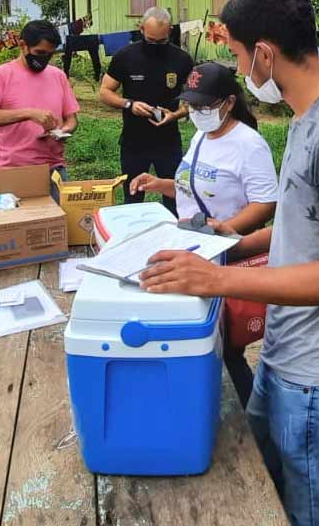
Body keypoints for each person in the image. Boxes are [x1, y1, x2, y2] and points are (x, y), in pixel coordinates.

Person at [138, 0, 319, 526]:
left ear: (265, 54)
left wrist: (218, 280)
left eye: (236, 55)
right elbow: (300, 228)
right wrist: (224, 246)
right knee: (267, 487)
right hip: (287, 348)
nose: (240, 68)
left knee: (314, 512)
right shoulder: (307, 118)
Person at [129, 62, 278, 407]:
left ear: (229, 103)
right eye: (191, 105)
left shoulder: (249, 145)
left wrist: (230, 230)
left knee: (226, 344)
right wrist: (160, 184)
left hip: (224, 253)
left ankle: (250, 417)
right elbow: (193, 185)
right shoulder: (200, 136)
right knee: (201, 336)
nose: (196, 112)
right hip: (192, 244)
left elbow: (266, 203)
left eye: (204, 106)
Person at [99, 7, 194, 214]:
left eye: (161, 41)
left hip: (168, 141)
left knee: (176, 197)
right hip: (134, 141)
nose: (156, 46)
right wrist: (129, 104)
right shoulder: (125, 56)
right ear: (141, 29)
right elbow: (105, 91)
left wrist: (176, 114)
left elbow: (194, 100)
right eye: (151, 40)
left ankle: (173, 232)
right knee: (133, 196)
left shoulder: (182, 59)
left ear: (169, 31)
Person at [0, 20, 80, 200]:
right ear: (23, 45)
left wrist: (64, 131)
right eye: (40, 53)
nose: (44, 59)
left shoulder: (58, 76)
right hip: (13, 172)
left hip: (54, 170)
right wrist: (28, 113)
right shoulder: (1, 76)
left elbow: (71, 119)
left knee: (59, 218)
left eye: (50, 54)